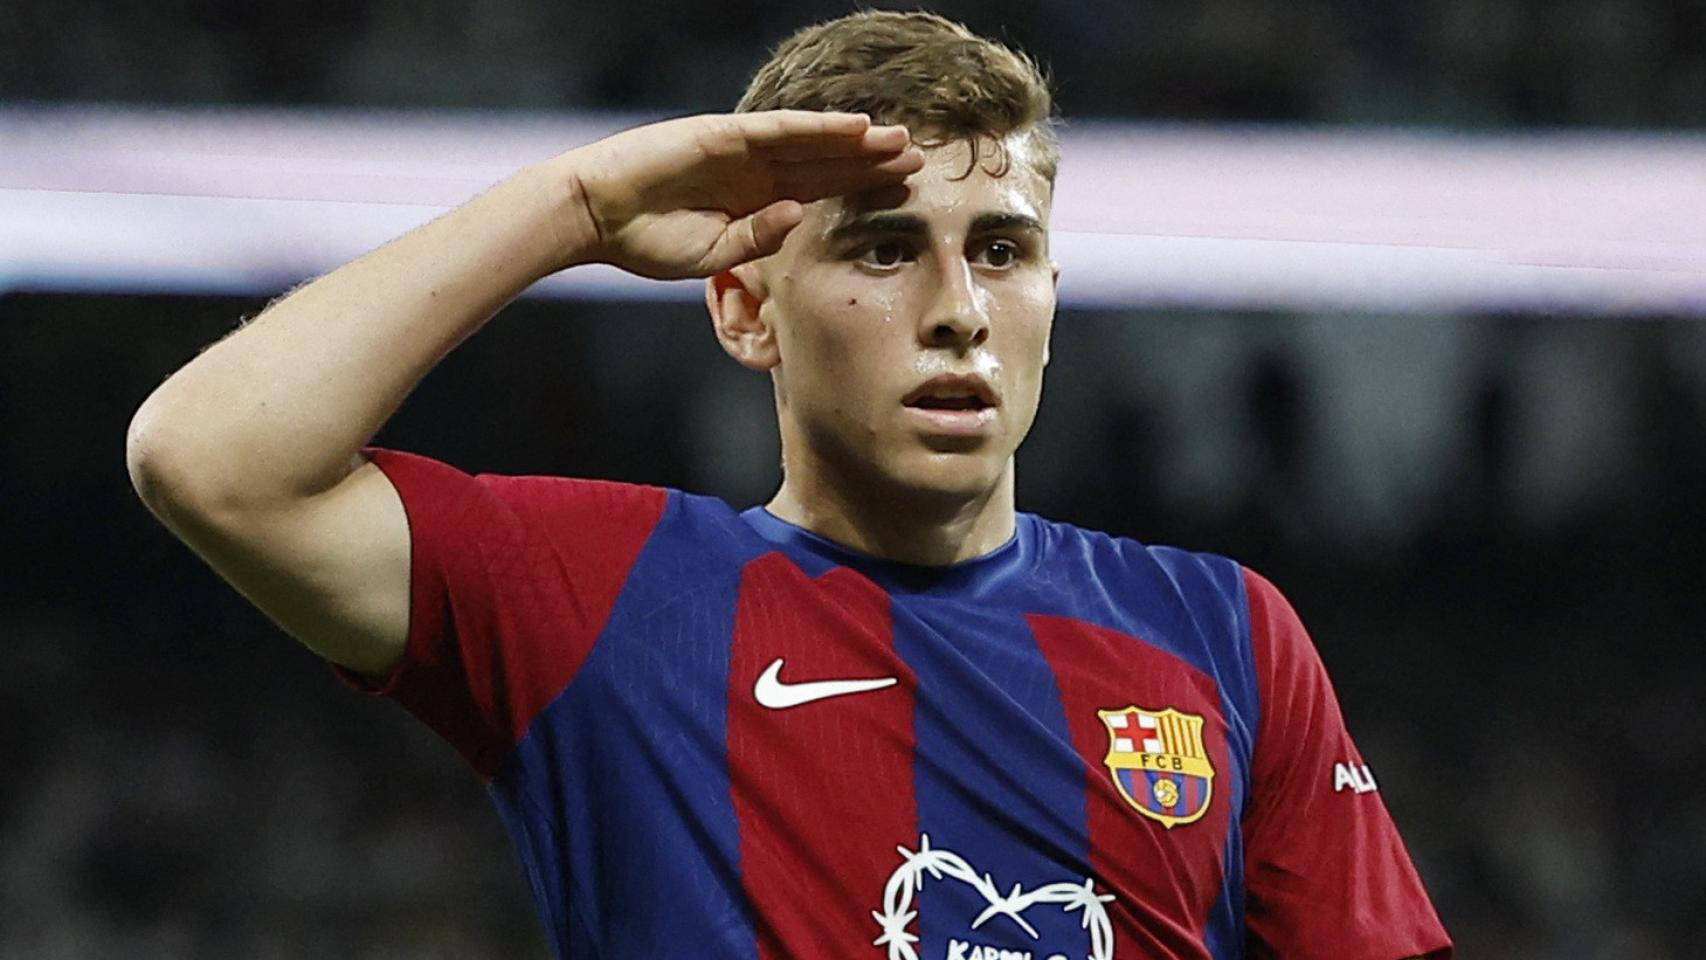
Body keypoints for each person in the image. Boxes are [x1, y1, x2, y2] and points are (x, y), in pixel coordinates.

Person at [126, 10, 1452, 960]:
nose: (956, 311)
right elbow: (213, 460)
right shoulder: (597, 595)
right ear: (744, 313)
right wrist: (575, 205)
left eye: (1000, 251)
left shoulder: (1221, 632)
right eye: (882, 252)